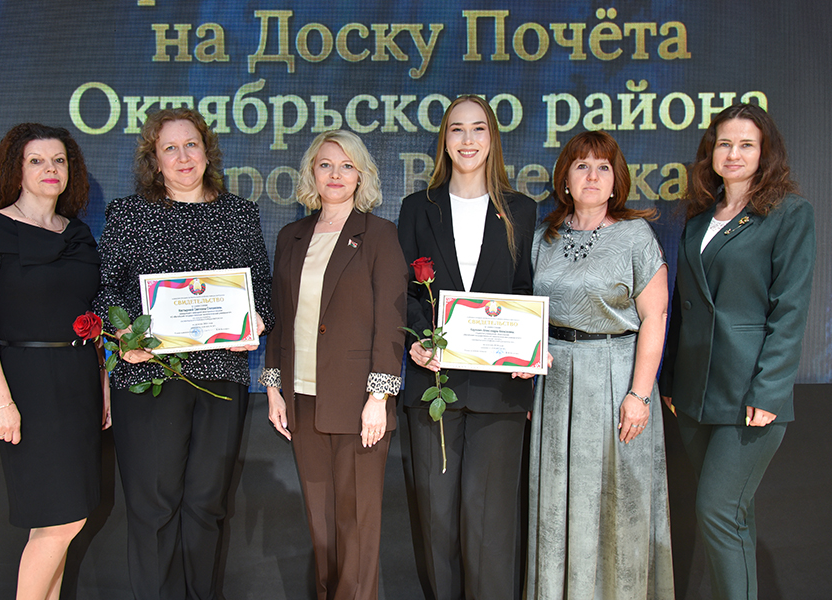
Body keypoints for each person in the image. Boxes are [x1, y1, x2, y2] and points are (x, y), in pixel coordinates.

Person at [94, 107, 274, 600]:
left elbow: (261, 289)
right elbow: (103, 290)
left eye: (191, 144)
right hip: (148, 377)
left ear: (207, 151)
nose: (182, 156)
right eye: (169, 148)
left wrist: (257, 319)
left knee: (206, 504)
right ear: (154, 161)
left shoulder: (239, 213)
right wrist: (124, 335)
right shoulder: (129, 215)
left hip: (220, 376)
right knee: (154, 507)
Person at [660, 103, 815, 600]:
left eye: (747, 144)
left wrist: (769, 391)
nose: (733, 153)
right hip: (693, 394)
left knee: (717, 511)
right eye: (724, 143)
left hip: (749, 392)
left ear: (765, 152)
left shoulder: (790, 213)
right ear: (711, 152)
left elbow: (789, 310)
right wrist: (670, 380)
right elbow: (684, 305)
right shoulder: (698, 217)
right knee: (734, 516)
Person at [0, 123, 109, 600]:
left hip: (79, 383)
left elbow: (92, 317)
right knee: (62, 521)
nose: (50, 169)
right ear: (16, 170)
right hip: (28, 385)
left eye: (59, 160)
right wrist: (1, 403)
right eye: (37, 160)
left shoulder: (78, 233)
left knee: (58, 520)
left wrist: (103, 386)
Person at [397, 95, 537, 600]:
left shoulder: (521, 209)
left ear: (492, 138)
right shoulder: (418, 207)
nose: (468, 139)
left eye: (479, 128)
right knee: (437, 521)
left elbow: (524, 291)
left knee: (490, 525)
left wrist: (529, 349)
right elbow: (404, 291)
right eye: (457, 129)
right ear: (444, 140)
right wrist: (417, 341)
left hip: (500, 391)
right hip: (433, 384)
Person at [524, 130, 673, 599]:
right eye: (582, 166)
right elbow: (525, 312)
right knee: (557, 502)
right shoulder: (542, 237)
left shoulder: (635, 236)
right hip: (555, 383)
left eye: (603, 167)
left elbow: (655, 317)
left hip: (616, 381)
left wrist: (639, 394)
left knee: (616, 502)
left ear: (616, 181)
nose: (592, 176)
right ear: (565, 179)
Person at [259, 130, 408, 600]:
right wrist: (273, 388)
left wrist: (378, 397)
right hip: (301, 400)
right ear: (312, 173)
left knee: (356, 526)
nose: (336, 174)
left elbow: (391, 323)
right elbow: (280, 318)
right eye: (326, 165)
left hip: (359, 401)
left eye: (347, 166)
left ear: (361, 175)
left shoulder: (379, 235)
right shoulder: (291, 236)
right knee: (321, 526)